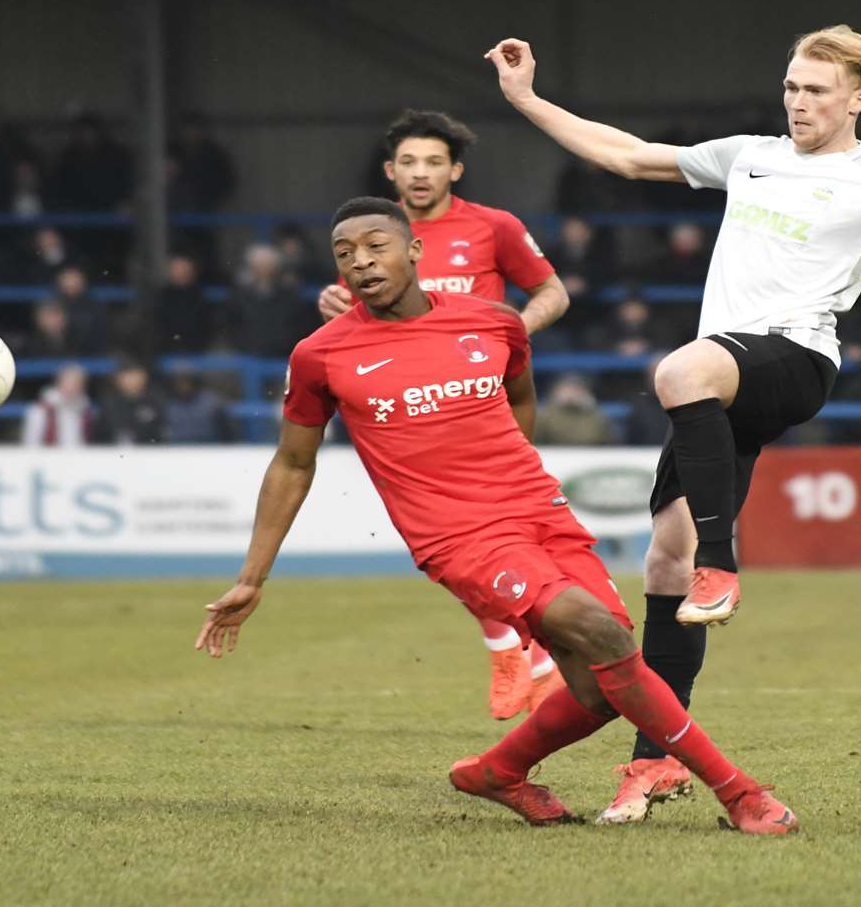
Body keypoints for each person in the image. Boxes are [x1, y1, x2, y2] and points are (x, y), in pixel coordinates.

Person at [488, 25, 861, 820]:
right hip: (723, 384)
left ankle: (724, 563)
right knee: (663, 564)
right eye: (792, 85)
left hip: (793, 361)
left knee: (678, 369)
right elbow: (627, 154)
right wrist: (526, 99)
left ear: (858, 98)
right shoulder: (750, 154)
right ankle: (653, 763)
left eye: (817, 89)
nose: (798, 101)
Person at [195, 198, 797, 835]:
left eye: (376, 245)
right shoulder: (321, 356)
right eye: (345, 254)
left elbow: (518, 396)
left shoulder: (494, 323)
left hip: (540, 513)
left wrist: (514, 479)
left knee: (600, 690)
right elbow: (293, 463)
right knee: (609, 639)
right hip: (460, 539)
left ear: (415, 251)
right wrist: (252, 577)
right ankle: (740, 793)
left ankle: (495, 773)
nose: (362, 262)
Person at [316, 109, 574, 722]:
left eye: (434, 161)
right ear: (390, 171)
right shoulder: (369, 236)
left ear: (455, 170)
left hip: (478, 404)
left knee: (497, 535)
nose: (420, 172)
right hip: (406, 413)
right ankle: (516, 649)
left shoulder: (493, 227)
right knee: (439, 543)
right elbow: (367, 318)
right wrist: (333, 307)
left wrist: (506, 334)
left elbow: (553, 294)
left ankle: (522, 650)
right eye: (408, 162)